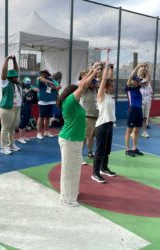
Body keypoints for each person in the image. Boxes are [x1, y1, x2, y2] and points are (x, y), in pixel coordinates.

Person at [57, 65, 99, 207]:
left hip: (74, 140)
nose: (81, 93)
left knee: (74, 169)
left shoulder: (74, 104)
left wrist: (92, 71)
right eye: (78, 92)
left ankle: (71, 193)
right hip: (69, 140)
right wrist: (93, 72)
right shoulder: (69, 101)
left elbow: (82, 85)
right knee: (69, 170)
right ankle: (67, 199)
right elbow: (82, 85)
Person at [92, 63, 117, 183]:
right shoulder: (100, 95)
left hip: (110, 125)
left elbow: (109, 79)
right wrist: (106, 67)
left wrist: (111, 69)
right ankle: (95, 173)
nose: (113, 87)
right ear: (106, 87)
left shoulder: (109, 96)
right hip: (101, 125)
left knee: (107, 150)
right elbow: (103, 82)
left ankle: (104, 168)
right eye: (111, 86)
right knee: (100, 150)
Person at [0, 55, 22, 154]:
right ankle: (3, 147)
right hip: (7, 108)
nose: (17, 76)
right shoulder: (5, 82)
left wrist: (15, 61)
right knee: (6, 127)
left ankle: (11, 144)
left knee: (13, 127)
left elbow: (16, 70)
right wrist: (7, 59)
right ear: (11, 77)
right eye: (15, 76)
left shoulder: (17, 83)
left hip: (17, 108)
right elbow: (4, 71)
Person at [124, 63, 146, 157]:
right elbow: (130, 77)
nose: (137, 82)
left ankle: (134, 148)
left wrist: (143, 69)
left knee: (137, 130)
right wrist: (137, 67)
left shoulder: (138, 88)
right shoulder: (128, 88)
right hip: (132, 110)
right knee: (129, 130)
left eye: (138, 81)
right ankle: (127, 149)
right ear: (132, 81)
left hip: (139, 110)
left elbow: (141, 76)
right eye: (136, 81)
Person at [36, 69, 61, 139]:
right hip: (43, 101)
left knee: (48, 117)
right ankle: (39, 133)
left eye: (44, 73)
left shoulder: (52, 79)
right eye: (42, 73)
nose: (43, 74)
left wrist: (54, 87)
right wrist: (51, 82)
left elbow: (59, 87)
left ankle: (46, 131)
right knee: (41, 117)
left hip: (51, 101)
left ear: (47, 73)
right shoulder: (40, 79)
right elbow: (39, 78)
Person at [80, 73, 99, 159]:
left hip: (95, 117)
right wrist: (92, 71)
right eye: (91, 83)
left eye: (94, 83)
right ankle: (79, 155)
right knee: (84, 137)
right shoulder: (85, 90)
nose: (93, 84)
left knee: (91, 137)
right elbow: (84, 82)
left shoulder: (95, 91)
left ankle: (90, 152)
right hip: (87, 117)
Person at [18, 77, 39, 144]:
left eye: (29, 83)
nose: (28, 85)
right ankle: (20, 137)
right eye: (26, 83)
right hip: (23, 106)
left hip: (29, 105)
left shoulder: (30, 87)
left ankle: (23, 136)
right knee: (23, 121)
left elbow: (38, 90)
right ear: (23, 83)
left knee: (27, 120)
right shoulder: (21, 88)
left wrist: (30, 88)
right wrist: (25, 91)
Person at [139, 66, 152, 138]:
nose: (144, 72)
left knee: (145, 117)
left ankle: (144, 132)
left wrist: (147, 71)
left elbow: (149, 79)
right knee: (138, 117)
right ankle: (133, 131)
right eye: (143, 71)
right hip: (141, 101)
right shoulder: (138, 80)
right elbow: (142, 82)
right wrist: (141, 70)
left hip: (147, 101)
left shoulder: (147, 82)